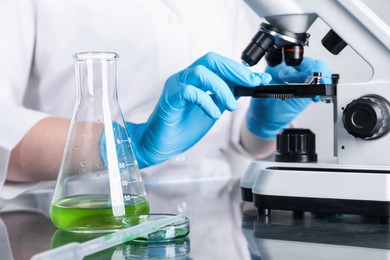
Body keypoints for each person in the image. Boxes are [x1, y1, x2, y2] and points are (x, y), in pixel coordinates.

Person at [0, 0, 331, 199]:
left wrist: (263, 124)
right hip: (89, 212)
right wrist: (125, 145)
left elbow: (237, 133)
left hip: (216, 224)